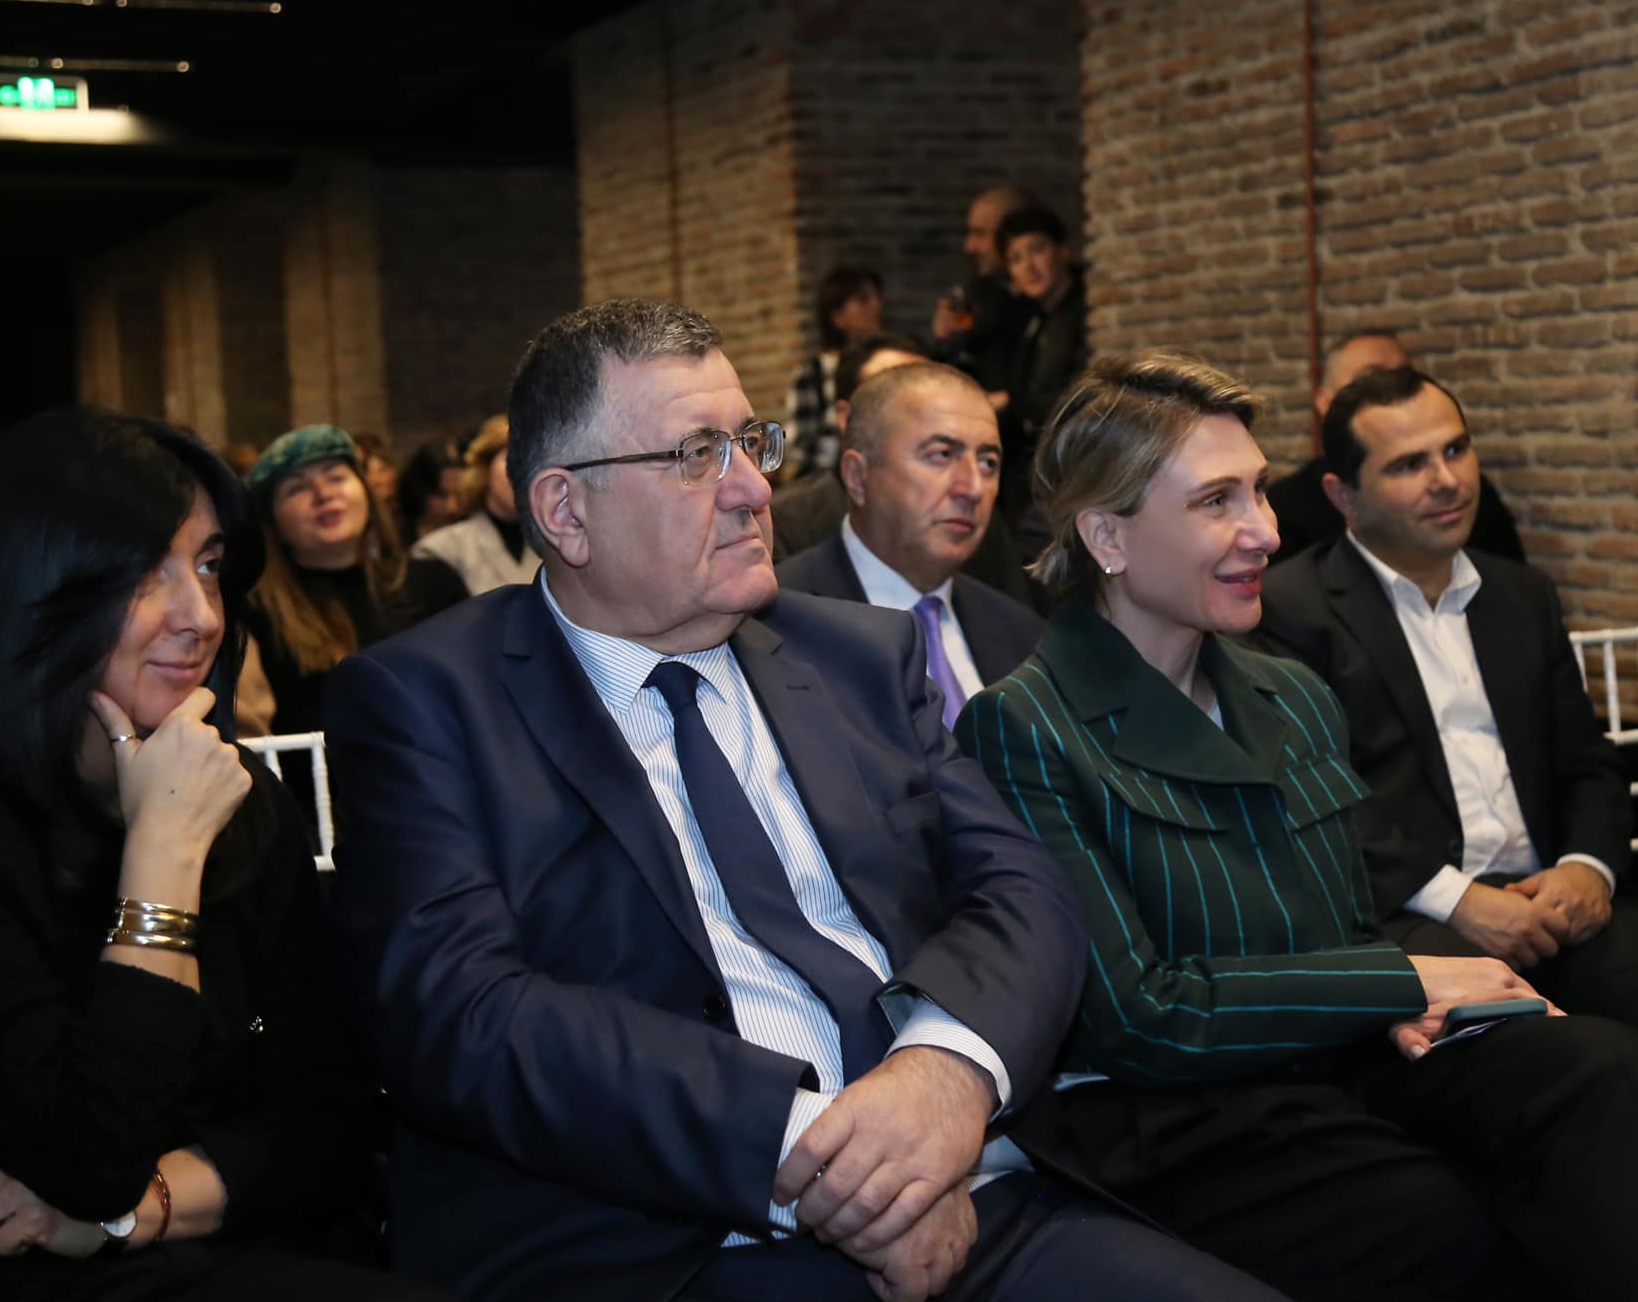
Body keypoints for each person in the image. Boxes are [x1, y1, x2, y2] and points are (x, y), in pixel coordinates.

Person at [325, 299, 1282, 1302]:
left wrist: (945, 1080)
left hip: (971, 1189)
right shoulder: (426, 700)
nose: (753, 487)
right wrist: (830, 1165)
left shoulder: (855, 654)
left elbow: (1023, 891)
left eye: (750, 442)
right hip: (676, 1243)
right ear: (566, 511)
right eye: (697, 454)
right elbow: (462, 1013)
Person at [960, 352, 1638, 1302]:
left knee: (1612, 1072)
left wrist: (1404, 1001)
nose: (1266, 531)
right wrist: (1402, 979)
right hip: (1185, 1113)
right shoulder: (1025, 725)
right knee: (1448, 1223)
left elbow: (1342, 924)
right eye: (1217, 502)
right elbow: (1139, 1017)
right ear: (1107, 536)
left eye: (1258, 492)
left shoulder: (1290, 693)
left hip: (1344, 1055)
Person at [0, 409, 434, 1300]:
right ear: (32, 595)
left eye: (209, 566)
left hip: (191, 1242)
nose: (200, 616)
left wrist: (138, 1208)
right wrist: (164, 859)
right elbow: (90, 1149)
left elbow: (331, 1113)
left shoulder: (230, 791)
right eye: (145, 574)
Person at [1255, 363, 1638, 1136]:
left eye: (1456, 449)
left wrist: (1588, 868)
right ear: (1343, 495)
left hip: (1550, 897)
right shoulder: (1288, 610)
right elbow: (1309, 795)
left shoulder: (1520, 594)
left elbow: (1589, 760)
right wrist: (1459, 900)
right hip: (1412, 913)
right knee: (1569, 1063)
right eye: (1409, 464)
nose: (1447, 480)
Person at [776, 363, 1041, 711]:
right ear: (857, 476)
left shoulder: (1022, 633)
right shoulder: (776, 622)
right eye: (941, 455)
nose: (973, 488)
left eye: (988, 462)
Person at [242, 424, 464, 738]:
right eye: (297, 488)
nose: (323, 494)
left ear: (367, 493)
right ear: (273, 524)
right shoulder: (257, 616)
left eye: (336, 477)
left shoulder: (433, 582)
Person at [1265, 330, 1523, 565]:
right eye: (1370, 380)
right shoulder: (1286, 509)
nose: (1447, 481)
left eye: (1404, 378)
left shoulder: (1472, 494)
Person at [768, 331, 931, 562]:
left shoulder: (961, 509)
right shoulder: (786, 521)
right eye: (894, 398)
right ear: (846, 417)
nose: (919, 415)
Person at [993, 207, 1087, 526]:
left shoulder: (1088, 311)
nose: (1028, 266)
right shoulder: (1031, 318)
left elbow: (1081, 392)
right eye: (1016, 258)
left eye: (1037, 250)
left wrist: (1011, 402)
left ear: (1063, 251)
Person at [409, 414, 539, 595]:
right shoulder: (440, 551)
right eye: (513, 459)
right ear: (486, 466)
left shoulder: (559, 546)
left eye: (536, 462)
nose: (524, 473)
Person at [931, 186, 1041, 397]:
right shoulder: (981, 291)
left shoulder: (1047, 301)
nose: (969, 246)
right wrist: (945, 340)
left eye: (980, 233)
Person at [786, 266, 885, 479]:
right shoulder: (813, 375)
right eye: (863, 300)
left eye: (877, 297)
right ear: (837, 316)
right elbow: (801, 448)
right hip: (829, 479)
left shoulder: (886, 362)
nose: (876, 306)